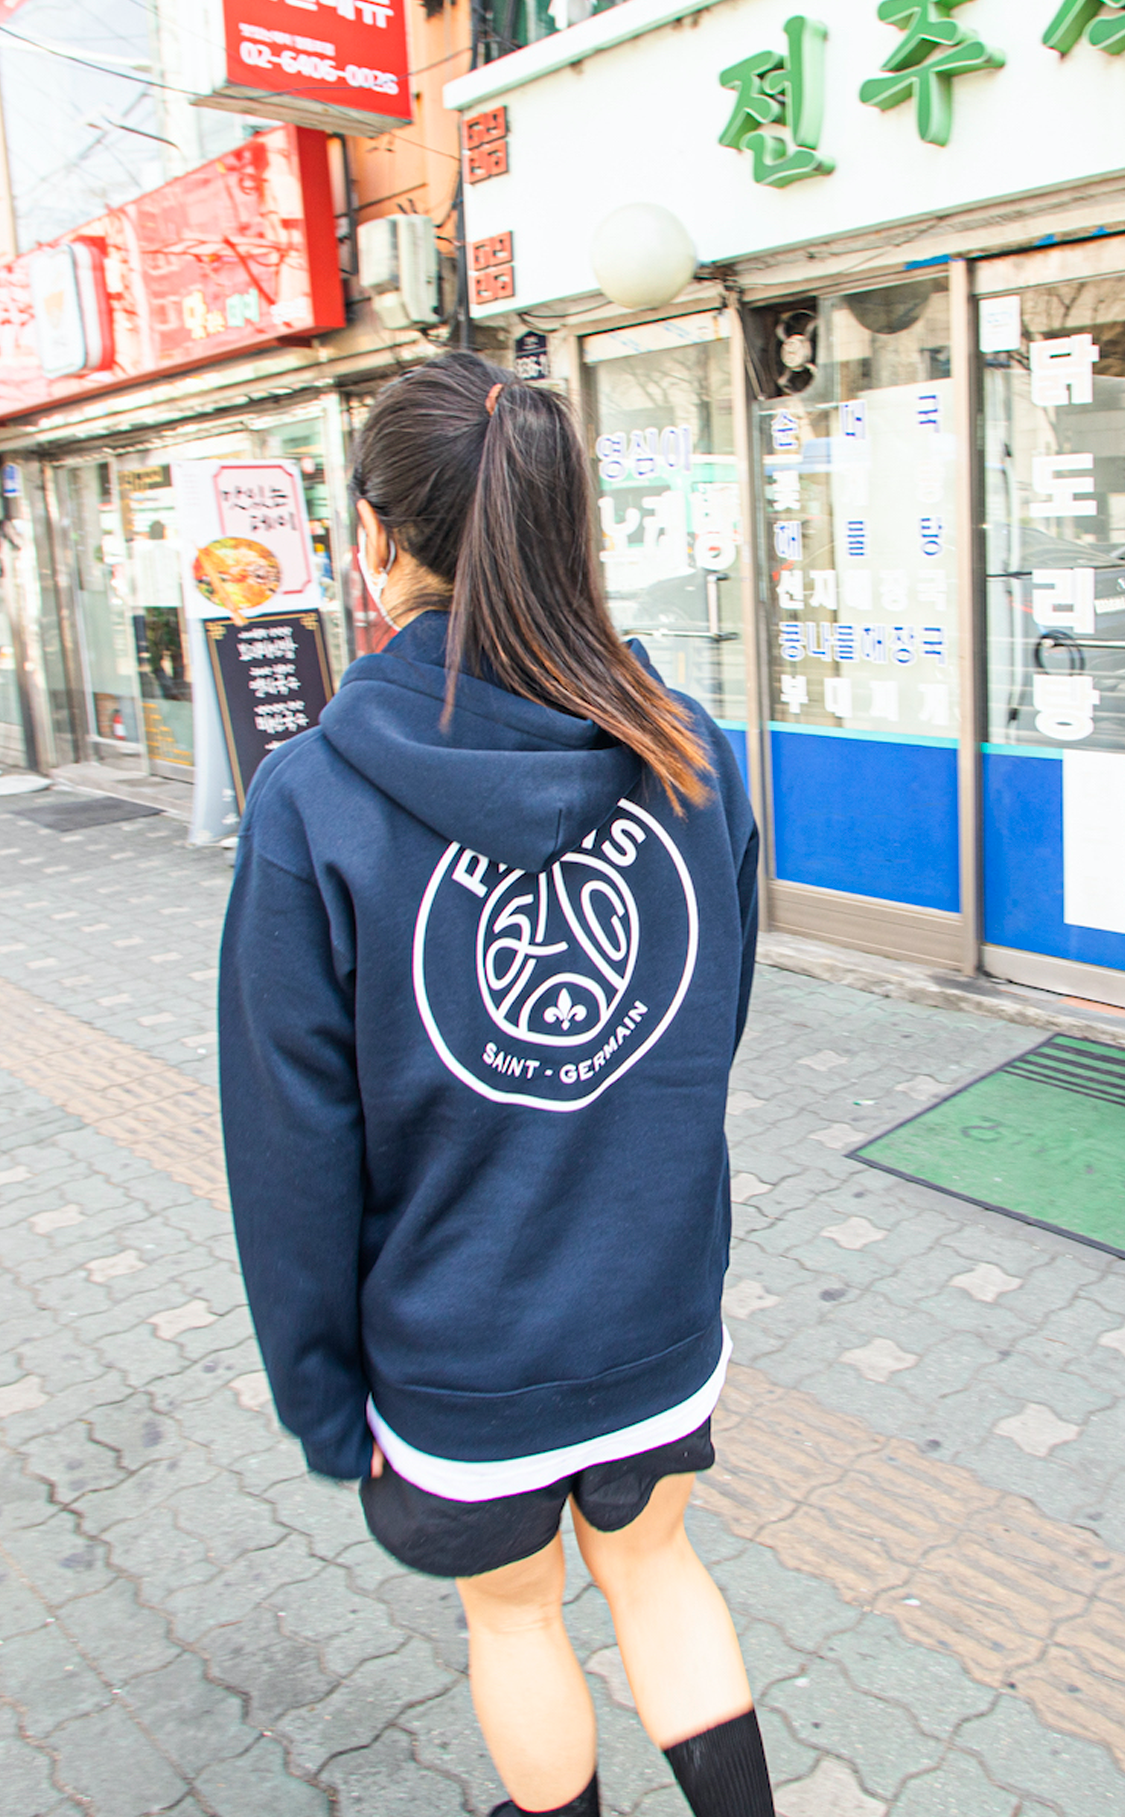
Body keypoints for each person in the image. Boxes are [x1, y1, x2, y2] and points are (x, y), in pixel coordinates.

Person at [218, 352, 769, 1817]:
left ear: (376, 539)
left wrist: (323, 1396)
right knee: (659, 1573)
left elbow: (289, 1147)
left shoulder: (315, 802)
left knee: (518, 1623)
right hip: (654, 1307)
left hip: (457, 1348)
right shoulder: (687, 750)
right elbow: (705, 1028)